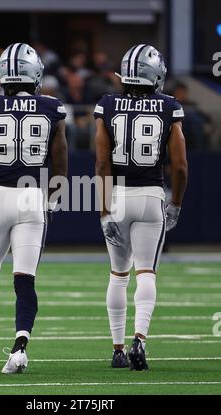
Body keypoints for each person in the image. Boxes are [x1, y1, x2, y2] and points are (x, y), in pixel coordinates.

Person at [0, 43, 68, 373]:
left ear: (3, 74)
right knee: (25, 280)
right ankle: (20, 347)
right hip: (31, 197)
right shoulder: (52, 107)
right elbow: (61, 161)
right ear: (36, 74)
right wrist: (53, 198)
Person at [94, 44, 188, 370]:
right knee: (146, 270)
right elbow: (180, 166)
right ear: (156, 75)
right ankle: (140, 340)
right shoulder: (168, 107)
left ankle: (118, 350)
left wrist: (104, 210)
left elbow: (102, 163)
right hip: (150, 196)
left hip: (118, 197)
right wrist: (175, 202)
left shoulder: (107, 104)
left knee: (118, 275)